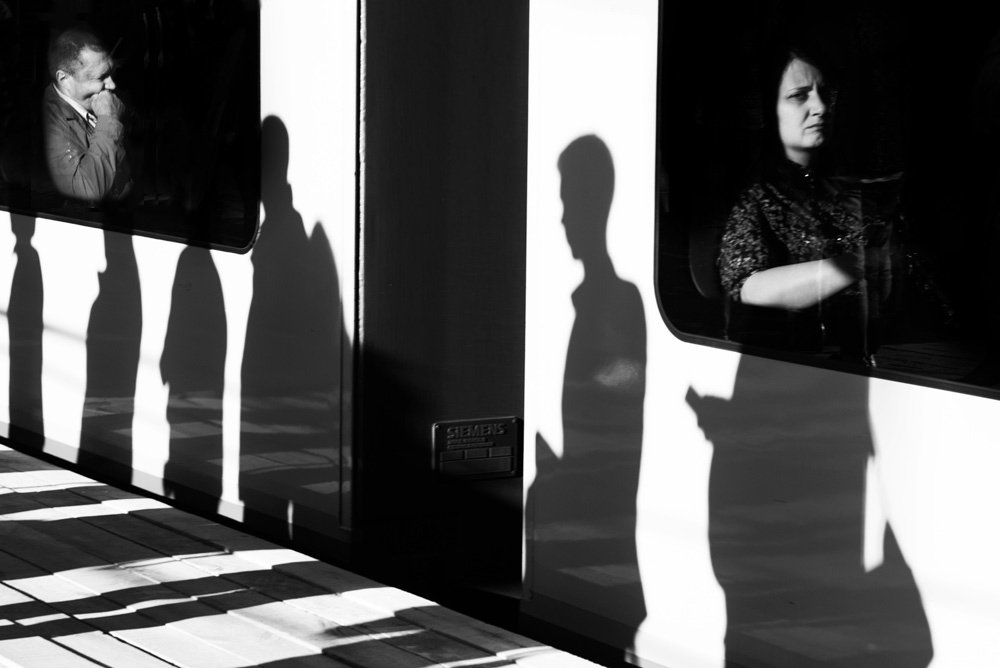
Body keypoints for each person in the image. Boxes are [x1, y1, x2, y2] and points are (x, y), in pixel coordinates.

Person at [718, 47, 896, 365]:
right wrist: (853, 265)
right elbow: (745, 286)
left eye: (825, 94)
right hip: (781, 366)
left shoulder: (848, 185)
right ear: (770, 108)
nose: (820, 107)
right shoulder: (754, 191)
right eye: (799, 96)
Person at [43, 27, 131, 204]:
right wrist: (109, 120)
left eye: (111, 73)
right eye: (101, 77)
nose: (112, 85)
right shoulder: (51, 126)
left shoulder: (96, 103)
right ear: (64, 79)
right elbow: (90, 189)